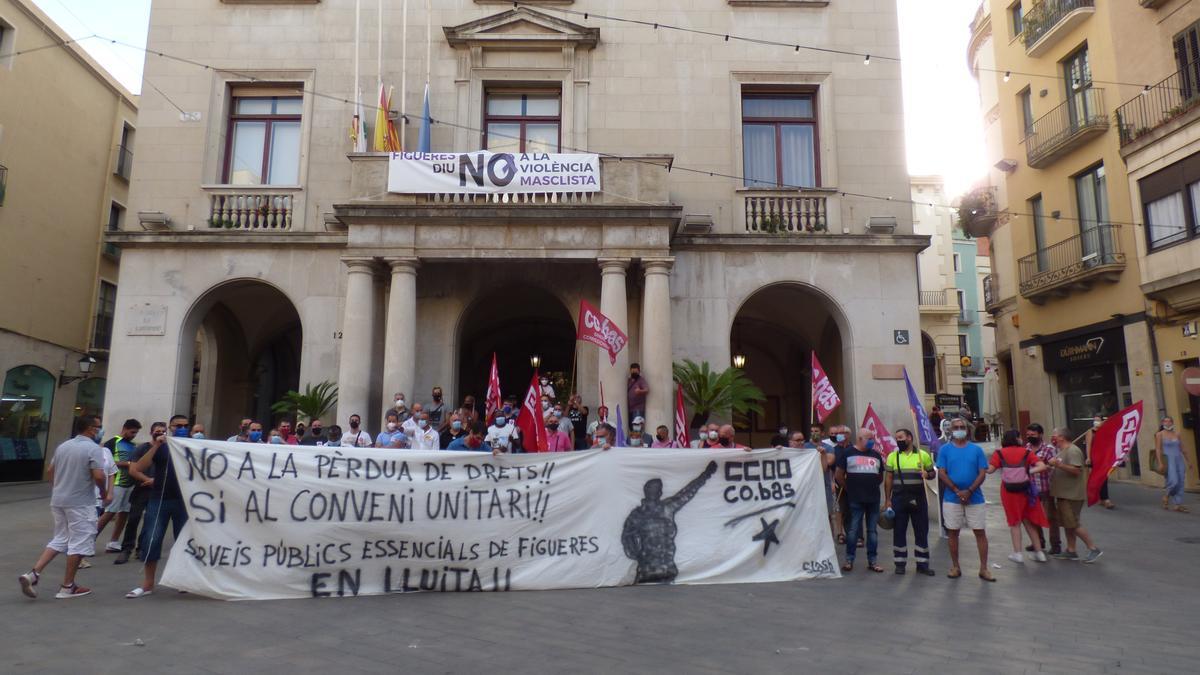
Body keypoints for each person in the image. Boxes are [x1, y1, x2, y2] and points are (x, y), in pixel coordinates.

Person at [18, 415, 109, 599]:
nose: (99, 430)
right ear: (90, 428)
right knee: (78, 543)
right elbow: (99, 476)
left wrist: (58, 487)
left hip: (59, 500)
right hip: (81, 502)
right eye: (98, 427)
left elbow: (51, 471)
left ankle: (33, 573)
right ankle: (68, 586)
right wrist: (104, 493)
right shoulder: (93, 448)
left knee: (61, 538)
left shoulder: (63, 446)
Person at [125, 414, 191, 598]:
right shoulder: (160, 446)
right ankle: (148, 583)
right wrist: (157, 445)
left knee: (183, 541)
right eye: (178, 425)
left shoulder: (192, 446)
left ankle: (183, 580)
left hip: (183, 502)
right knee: (152, 539)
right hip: (159, 499)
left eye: (185, 425)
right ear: (170, 427)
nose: (182, 428)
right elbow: (138, 467)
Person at [937, 417, 994, 581]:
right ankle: (955, 566)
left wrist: (969, 491)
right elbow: (942, 472)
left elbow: (982, 472)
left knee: (980, 532)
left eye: (962, 426)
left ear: (967, 429)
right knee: (953, 532)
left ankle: (984, 568)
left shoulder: (976, 450)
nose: (959, 429)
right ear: (951, 430)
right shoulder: (945, 450)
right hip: (951, 497)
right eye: (956, 427)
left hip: (975, 497)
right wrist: (956, 490)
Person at [988, 429, 1050, 565]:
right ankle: (1039, 553)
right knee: (1029, 521)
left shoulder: (999, 453)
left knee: (1014, 523)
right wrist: (1029, 472)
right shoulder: (1026, 452)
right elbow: (1042, 466)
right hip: (1025, 490)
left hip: (1008, 492)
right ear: (1017, 439)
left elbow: (990, 470)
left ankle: (1018, 553)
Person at [884, 428, 936, 576]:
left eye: (900, 437)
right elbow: (888, 479)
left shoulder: (923, 455)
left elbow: (932, 473)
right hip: (899, 499)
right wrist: (887, 499)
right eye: (896, 438)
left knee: (921, 531)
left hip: (919, 499)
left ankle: (922, 564)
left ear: (909, 438)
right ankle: (899, 564)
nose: (898, 440)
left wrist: (927, 474)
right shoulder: (892, 457)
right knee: (899, 531)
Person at [1048, 428, 1103, 563]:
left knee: (1073, 523)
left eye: (1055, 435)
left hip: (1071, 494)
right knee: (1068, 524)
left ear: (1061, 437)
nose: (1053, 437)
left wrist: (1059, 465)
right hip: (1063, 493)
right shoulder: (1063, 451)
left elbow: (1076, 470)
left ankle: (1093, 548)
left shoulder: (1073, 451)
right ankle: (1071, 550)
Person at [835, 428, 885, 573]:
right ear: (860, 438)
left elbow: (880, 476)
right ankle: (849, 560)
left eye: (872, 438)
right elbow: (839, 475)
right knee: (853, 530)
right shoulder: (848, 453)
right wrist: (848, 488)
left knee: (872, 531)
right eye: (869, 438)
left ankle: (873, 561)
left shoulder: (876, 455)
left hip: (873, 498)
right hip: (855, 499)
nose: (872, 441)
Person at [115, 422, 165, 565]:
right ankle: (126, 549)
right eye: (157, 431)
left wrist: (155, 481)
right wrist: (149, 480)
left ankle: (142, 548)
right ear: (151, 432)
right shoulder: (142, 448)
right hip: (141, 489)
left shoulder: (167, 449)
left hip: (157, 491)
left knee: (150, 522)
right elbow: (133, 469)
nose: (160, 433)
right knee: (133, 520)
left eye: (163, 431)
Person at [97, 419, 142, 553]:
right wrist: (128, 464)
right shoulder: (112, 442)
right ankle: (89, 539)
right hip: (117, 483)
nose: (134, 435)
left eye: (136, 433)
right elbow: (107, 461)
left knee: (124, 513)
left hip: (130, 483)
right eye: (132, 432)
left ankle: (113, 541)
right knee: (110, 512)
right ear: (125, 428)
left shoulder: (133, 445)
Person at [1025, 423, 1060, 554]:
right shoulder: (1027, 448)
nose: (1030, 437)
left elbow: (1055, 466)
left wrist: (1047, 465)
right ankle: (1038, 541)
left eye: (1033, 435)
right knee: (1033, 516)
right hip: (1031, 488)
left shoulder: (1049, 449)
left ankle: (1055, 544)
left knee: (1051, 517)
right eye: (1028, 435)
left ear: (1040, 434)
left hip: (1046, 487)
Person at [1156, 416, 1191, 512]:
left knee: (1181, 481)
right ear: (1163, 423)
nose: (1167, 423)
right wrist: (1160, 463)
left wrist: (1188, 461)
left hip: (1179, 459)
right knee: (1173, 480)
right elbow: (1158, 449)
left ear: (1172, 423)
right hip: (1168, 460)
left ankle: (1178, 504)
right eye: (1165, 421)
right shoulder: (1159, 434)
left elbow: (1182, 448)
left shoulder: (1177, 434)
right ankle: (1166, 495)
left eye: (1169, 421)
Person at [1084, 416, 1115, 509]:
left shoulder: (1105, 431)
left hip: (1104, 457)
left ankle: (1105, 498)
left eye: (1098, 420)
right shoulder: (1090, 432)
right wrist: (1088, 457)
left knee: (1104, 477)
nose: (1096, 422)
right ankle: (1101, 497)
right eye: (1095, 420)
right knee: (1097, 478)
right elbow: (1088, 445)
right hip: (1094, 457)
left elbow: (1110, 444)